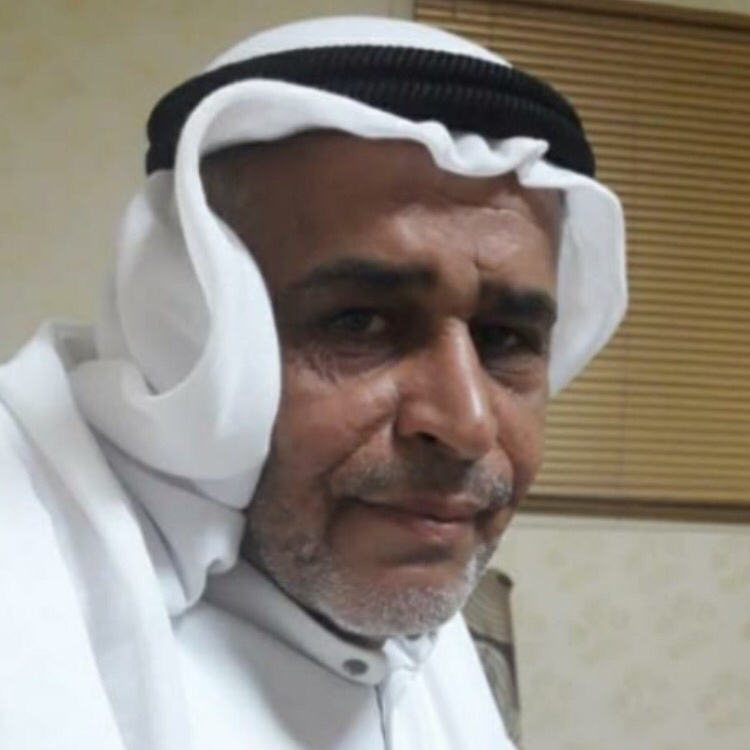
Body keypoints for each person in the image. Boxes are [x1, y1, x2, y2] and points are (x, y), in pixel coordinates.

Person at [0, 15, 626, 750]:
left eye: (506, 340)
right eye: (360, 324)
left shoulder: (391, 573)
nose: (466, 425)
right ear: (188, 328)